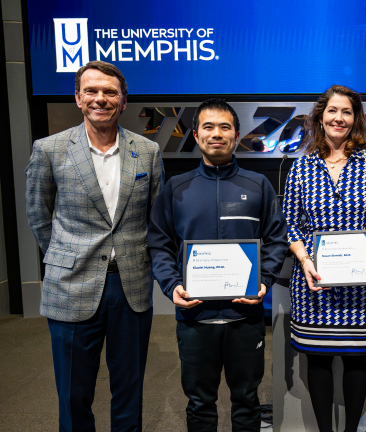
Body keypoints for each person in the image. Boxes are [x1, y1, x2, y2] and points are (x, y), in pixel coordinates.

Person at [25, 61, 163, 431]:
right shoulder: (50, 149)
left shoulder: (147, 151)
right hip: (70, 286)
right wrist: (66, 257)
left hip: (131, 287)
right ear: (78, 98)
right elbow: (38, 214)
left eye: (110, 92)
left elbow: (156, 218)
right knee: (73, 395)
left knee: (129, 391)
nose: (100, 98)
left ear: (123, 101)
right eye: (91, 91)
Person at [147, 99, 287, 431]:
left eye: (225, 127)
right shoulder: (177, 188)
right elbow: (159, 242)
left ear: (237, 135)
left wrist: (264, 280)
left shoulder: (258, 185)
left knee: (247, 401)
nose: (217, 134)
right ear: (196, 135)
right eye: (208, 127)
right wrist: (171, 285)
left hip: (246, 316)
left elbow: (277, 239)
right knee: (199, 403)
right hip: (195, 317)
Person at [282, 84, 366, 432]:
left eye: (347, 111)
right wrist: (305, 261)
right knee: (318, 359)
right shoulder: (301, 166)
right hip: (314, 283)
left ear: (355, 119)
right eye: (333, 110)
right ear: (321, 117)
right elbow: (290, 224)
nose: (339, 118)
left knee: (356, 359)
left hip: (362, 285)